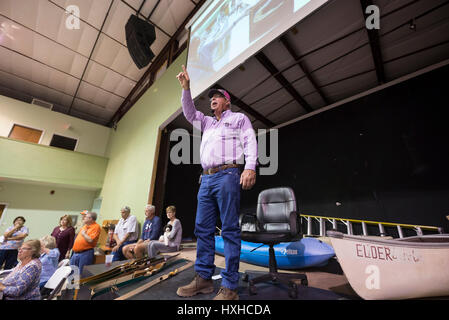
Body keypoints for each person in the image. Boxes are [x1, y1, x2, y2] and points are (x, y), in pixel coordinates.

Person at [176, 65, 257, 300]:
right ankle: (203, 279)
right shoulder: (208, 123)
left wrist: (250, 166)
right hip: (207, 178)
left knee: (229, 229)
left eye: (217, 97)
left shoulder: (239, 119)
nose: (213, 99)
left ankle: (230, 286)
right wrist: (186, 89)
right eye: (211, 97)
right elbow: (190, 113)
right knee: (202, 228)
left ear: (227, 102)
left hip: (227, 175)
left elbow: (250, 142)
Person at [70, 211, 101, 275]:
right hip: (75, 253)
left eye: (86, 217)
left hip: (85, 253)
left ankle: (79, 285)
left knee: (82, 274)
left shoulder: (96, 227)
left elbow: (90, 240)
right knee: (72, 273)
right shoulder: (84, 226)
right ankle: (71, 285)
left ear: (91, 219)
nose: (84, 218)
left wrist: (84, 234)